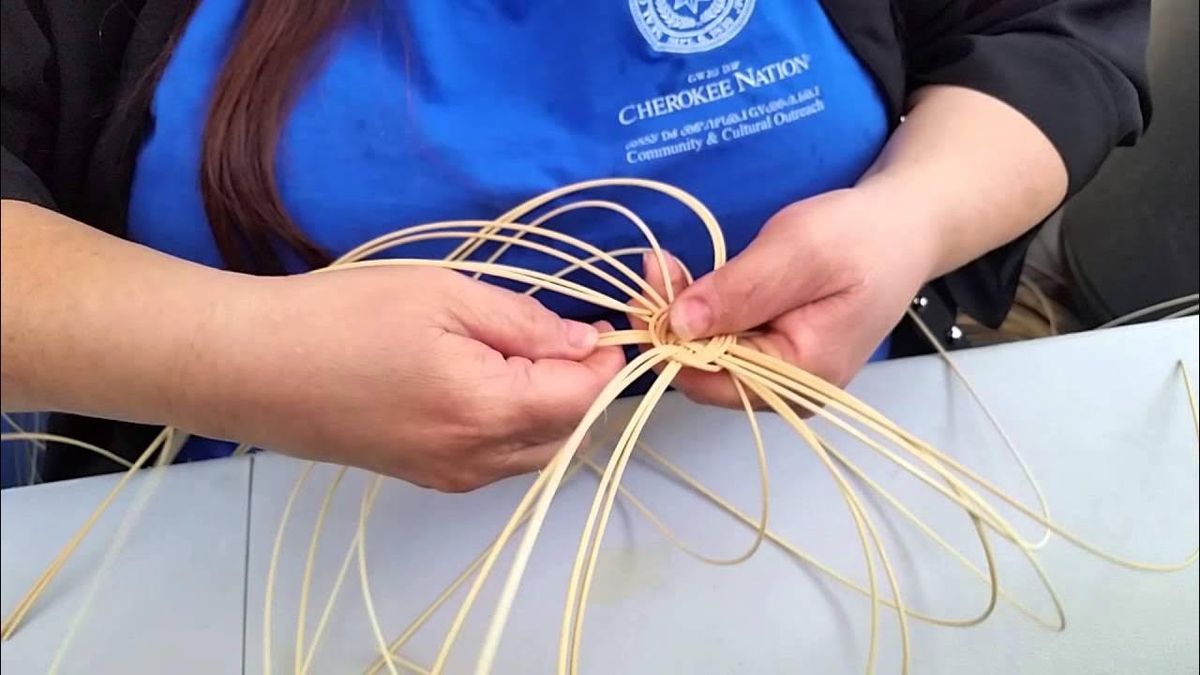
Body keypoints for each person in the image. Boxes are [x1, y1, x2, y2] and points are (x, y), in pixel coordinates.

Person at [0, 1, 1150, 490]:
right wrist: (234, 353)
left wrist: (913, 216)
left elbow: (1046, 34)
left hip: (819, 480)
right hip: (250, 538)